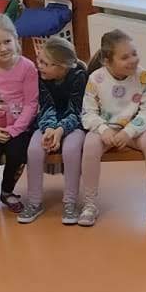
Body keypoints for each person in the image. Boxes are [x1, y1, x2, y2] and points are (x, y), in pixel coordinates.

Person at [79, 29, 146, 227]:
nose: (133, 60)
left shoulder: (143, 76)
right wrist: (103, 130)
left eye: (134, 53)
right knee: (90, 145)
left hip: (134, 129)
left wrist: (128, 132)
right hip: (106, 130)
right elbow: (88, 113)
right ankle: (89, 204)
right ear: (107, 61)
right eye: (125, 57)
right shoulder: (96, 79)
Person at [18, 36, 88, 225]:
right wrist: (50, 128)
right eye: (39, 60)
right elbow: (46, 105)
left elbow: (77, 110)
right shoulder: (40, 77)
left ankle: (70, 202)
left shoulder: (79, 76)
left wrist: (60, 130)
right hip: (47, 122)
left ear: (62, 67)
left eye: (45, 63)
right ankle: (34, 202)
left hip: (74, 123)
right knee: (34, 150)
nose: (39, 66)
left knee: (71, 149)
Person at [0, 14, 38, 213]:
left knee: (17, 154)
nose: (3, 48)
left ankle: (7, 191)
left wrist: (14, 130)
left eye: (7, 42)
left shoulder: (27, 67)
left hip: (18, 128)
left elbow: (31, 104)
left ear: (16, 40)